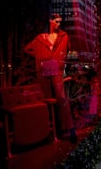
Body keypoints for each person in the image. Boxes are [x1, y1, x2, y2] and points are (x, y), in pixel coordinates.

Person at [24, 13, 77, 143]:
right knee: (46, 99)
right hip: (44, 70)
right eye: (56, 22)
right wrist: (41, 57)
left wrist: (62, 59)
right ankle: (48, 132)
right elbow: (28, 49)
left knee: (61, 98)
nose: (59, 24)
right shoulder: (40, 38)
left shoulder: (64, 36)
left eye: (60, 22)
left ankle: (68, 129)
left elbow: (70, 51)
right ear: (50, 21)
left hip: (57, 70)